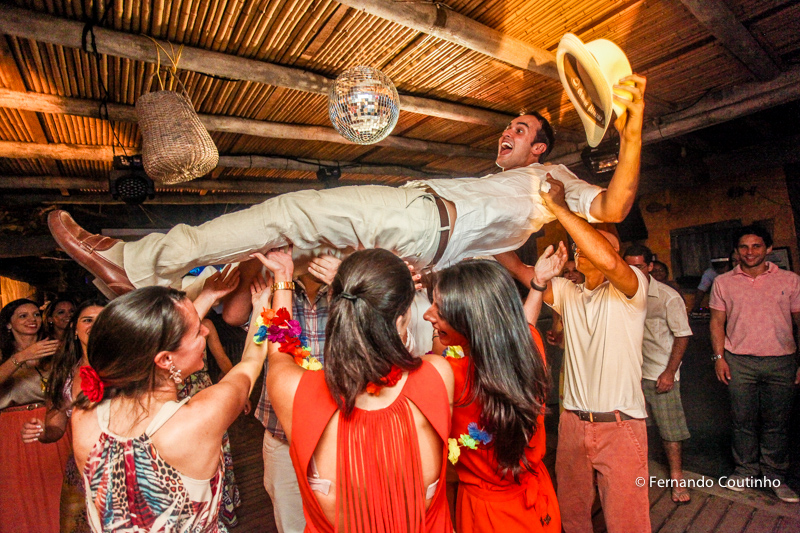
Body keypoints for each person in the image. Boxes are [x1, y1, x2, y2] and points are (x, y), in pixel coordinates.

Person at [48, 76, 647, 295]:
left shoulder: (552, 182)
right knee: (286, 251)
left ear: (541, 150)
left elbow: (616, 204)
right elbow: (500, 256)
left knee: (293, 210)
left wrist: (635, 125)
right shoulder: (510, 203)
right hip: (416, 239)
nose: (505, 135)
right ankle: (159, 279)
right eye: (507, 127)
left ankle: (138, 261)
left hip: (419, 222)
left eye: (519, 130)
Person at [258, 248, 455, 531]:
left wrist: (283, 277)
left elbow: (279, 349)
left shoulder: (295, 392)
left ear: (337, 307)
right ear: (401, 319)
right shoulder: (438, 374)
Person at [69, 270, 266, 531]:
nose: (206, 331)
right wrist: (263, 305)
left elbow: (149, 340)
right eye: (198, 332)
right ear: (164, 359)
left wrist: (206, 297)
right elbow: (251, 360)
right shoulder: (196, 420)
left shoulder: (85, 416)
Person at [532, 176, 650, 532]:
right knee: (572, 513)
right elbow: (524, 274)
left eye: (595, 242)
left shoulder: (634, 288)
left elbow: (611, 264)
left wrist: (560, 209)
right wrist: (491, 235)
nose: (583, 247)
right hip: (572, 422)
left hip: (620, 425)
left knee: (626, 521)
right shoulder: (571, 292)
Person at [423, 259, 560, 532]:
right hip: (538, 509)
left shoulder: (447, 376)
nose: (428, 315)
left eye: (440, 308)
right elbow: (522, 324)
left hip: (488, 515)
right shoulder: (529, 349)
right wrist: (537, 285)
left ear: (471, 317)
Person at [709, 225, 800, 503]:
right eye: (744, 247)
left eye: (756, 246)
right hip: (739, 362)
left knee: (777, 423)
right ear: (737, 251)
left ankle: (775, 477)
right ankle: (745, 471)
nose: (750, 252)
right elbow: (716, 323)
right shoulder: (723, 282)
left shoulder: (790, 280)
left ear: (768, 249)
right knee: (742, 421)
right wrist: (719, 358)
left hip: (782, 361)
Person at [21, 299, 106, 533]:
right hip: (80, 468)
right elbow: (56, 426)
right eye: (87, 320)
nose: (94, 325)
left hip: (126, 465)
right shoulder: (65, 372)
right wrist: (42, 431)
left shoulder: (127, 368)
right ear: (75, 329)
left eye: (101, 320)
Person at [623, 245, 693, 505]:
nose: (635, 272)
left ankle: (677, 478)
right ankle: (638, 476)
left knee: (670, 430)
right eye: (629, 267)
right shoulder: (620, 293)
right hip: (629, 373)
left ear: (651, 266)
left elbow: (683, 335)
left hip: (658, 373)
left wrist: (669, 371)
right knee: (634, 429)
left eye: (640, 266)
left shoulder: (667, 296)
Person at [0, 298, 69, 532]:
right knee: (19, 492)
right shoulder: (3, 353)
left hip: (51, 423)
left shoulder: (54, 349)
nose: (32, 320)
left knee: (54, 487)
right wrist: (22, 356)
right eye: (23, 316)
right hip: (12, 429)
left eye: (35, 315)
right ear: (8, 324)